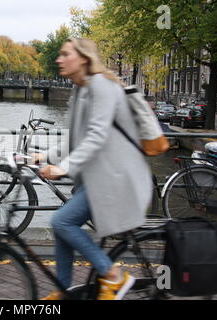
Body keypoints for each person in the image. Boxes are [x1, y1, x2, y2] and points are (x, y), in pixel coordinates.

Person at [32, 38, 152, 300]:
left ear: (83, 58)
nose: (58, 59)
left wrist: (63, 168)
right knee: (63, 225)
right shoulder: (82, 89)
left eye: (65, 54)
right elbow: (76, 137)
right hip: (99, 175)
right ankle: (64, 290)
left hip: (116, 177)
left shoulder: (101, 85)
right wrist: (45, 156)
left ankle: (114, 277)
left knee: (62, 221)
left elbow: (96, 136)